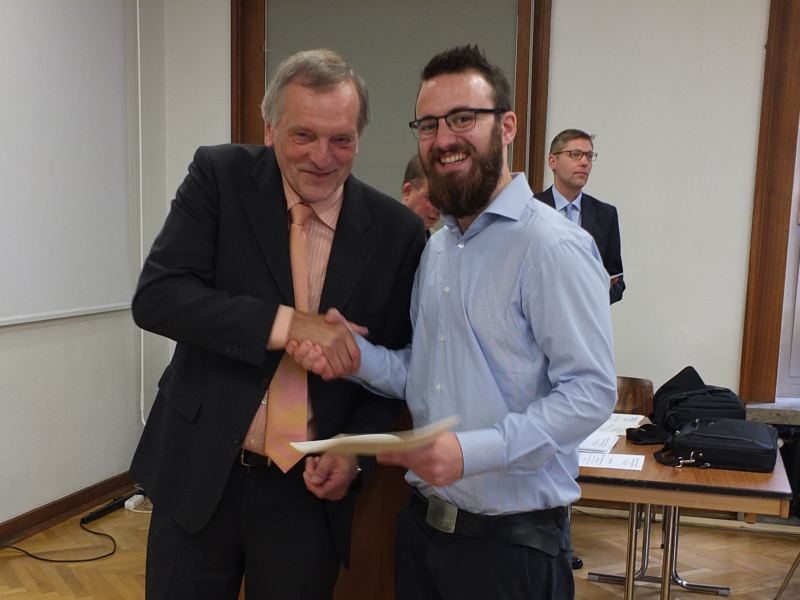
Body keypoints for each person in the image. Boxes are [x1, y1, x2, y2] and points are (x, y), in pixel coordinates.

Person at [288, 45, 616, 600]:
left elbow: (590, 393)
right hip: (423, 534)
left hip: (511, 552)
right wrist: (356, 356)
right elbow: (424, 372)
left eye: (463, 118)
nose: (443, 139)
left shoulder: (552, 247)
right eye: (429, 125)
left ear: (506, 126)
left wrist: (472, 451)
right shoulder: (439, 249)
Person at [129, 49, 425, 600]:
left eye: (341, 139)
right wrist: (288, 325)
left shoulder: (397, 232)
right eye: (303, 136)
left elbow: (392, 369)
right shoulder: (219, 177)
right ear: (270, 129)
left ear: (360, 137)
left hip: (305, 499)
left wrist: (353, 450)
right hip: (198, 473)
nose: (322, 157)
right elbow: (158, 298)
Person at [535, 129, 625, 304]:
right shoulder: (530, 209)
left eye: (589, 156)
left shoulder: (606, 215)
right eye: (575, 154)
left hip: (586, 316)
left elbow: (617, 280)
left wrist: (598, 294)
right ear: (552, 161)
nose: (584, 162)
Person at [401, 154, 439, 235]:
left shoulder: (438, 241)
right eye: (432, 199)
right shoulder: (377, 233)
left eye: (444, 201)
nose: (439, 210)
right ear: (407, 191)